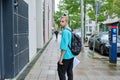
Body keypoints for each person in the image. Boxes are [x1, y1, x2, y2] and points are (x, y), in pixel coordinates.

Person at [57, 16, 75, 80]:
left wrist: (61, 58)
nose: (60, 23)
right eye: (60, 21)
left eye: (62, 21)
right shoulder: (70, 30)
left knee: (61, 71)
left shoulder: (65, 31)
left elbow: (64, 46)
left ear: (66, 22)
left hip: (66, 56)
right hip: (72, 55)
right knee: (69, 72)